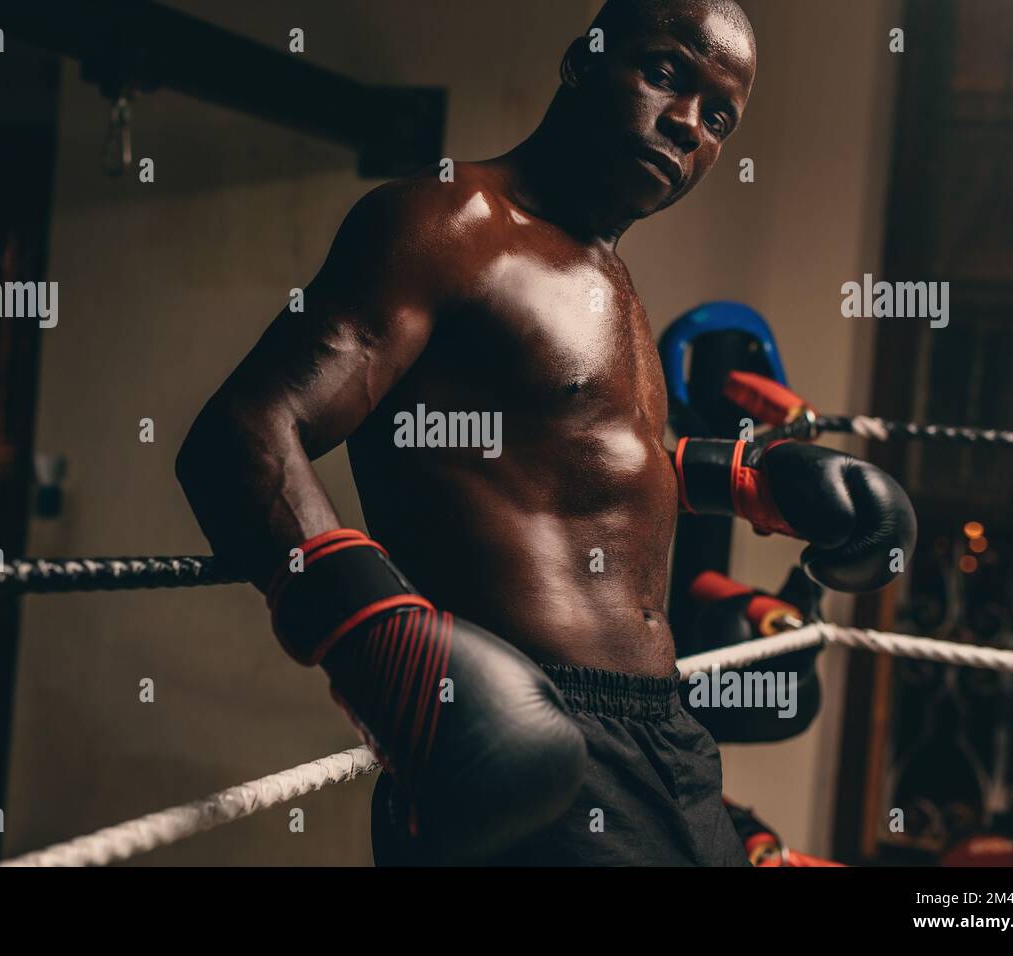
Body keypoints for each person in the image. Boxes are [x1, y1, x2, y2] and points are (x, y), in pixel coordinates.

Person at [177, 0, 915, 865]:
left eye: (719, 118)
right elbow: (245, 431)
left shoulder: (613, 278)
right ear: (583, 60)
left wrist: (741, 477)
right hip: (527, 734)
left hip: (666, 738)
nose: (686, 126)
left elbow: (574, 464)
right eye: (667, 74)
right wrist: (375, 640)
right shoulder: (451, 225)